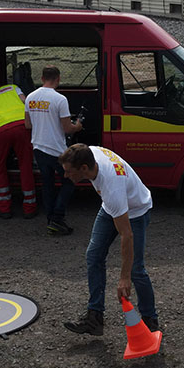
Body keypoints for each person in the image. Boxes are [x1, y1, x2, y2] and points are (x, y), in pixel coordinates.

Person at [59, 143, 159, 335]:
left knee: (136, 270)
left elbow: (126, 235)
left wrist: (124, 277)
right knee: (94, 256)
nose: (65, 175)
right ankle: (94, 318)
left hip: (136, 211)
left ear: (84, 169)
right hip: (112, 207)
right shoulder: (88, 153)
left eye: (69, 172)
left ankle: (150, 321)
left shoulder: (111, 186)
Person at [25, 66, 83, 236]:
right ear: (58, 78)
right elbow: (67, 128)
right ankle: (57, 217)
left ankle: (51, 220)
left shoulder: (30, 97)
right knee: (70, 181)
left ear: (42, 78)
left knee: (47, 184)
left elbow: (27, 124)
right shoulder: (60, 99)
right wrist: (77, 126)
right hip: (57, 150)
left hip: (38, 147)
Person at [0, 82, 37, 219]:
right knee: (25, 166)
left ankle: (4, 208)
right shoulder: (13, 88)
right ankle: (29, 208)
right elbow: (26, 101)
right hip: (21, 126)